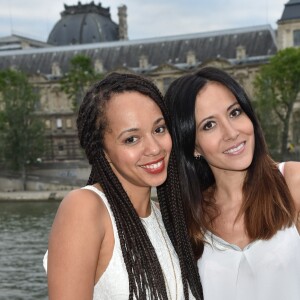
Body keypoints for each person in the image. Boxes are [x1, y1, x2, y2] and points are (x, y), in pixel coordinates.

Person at [43, 72, 203, 299]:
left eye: (159, 129)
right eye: (132, 139)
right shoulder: (85, 208)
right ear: (102, 151)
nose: (155, 148)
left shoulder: (166, 218)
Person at [164, 67, 300, 300]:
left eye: (235, 113)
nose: (231, 132)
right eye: (209, 125)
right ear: (193, 146)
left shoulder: (293, 182)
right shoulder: (186, 218)